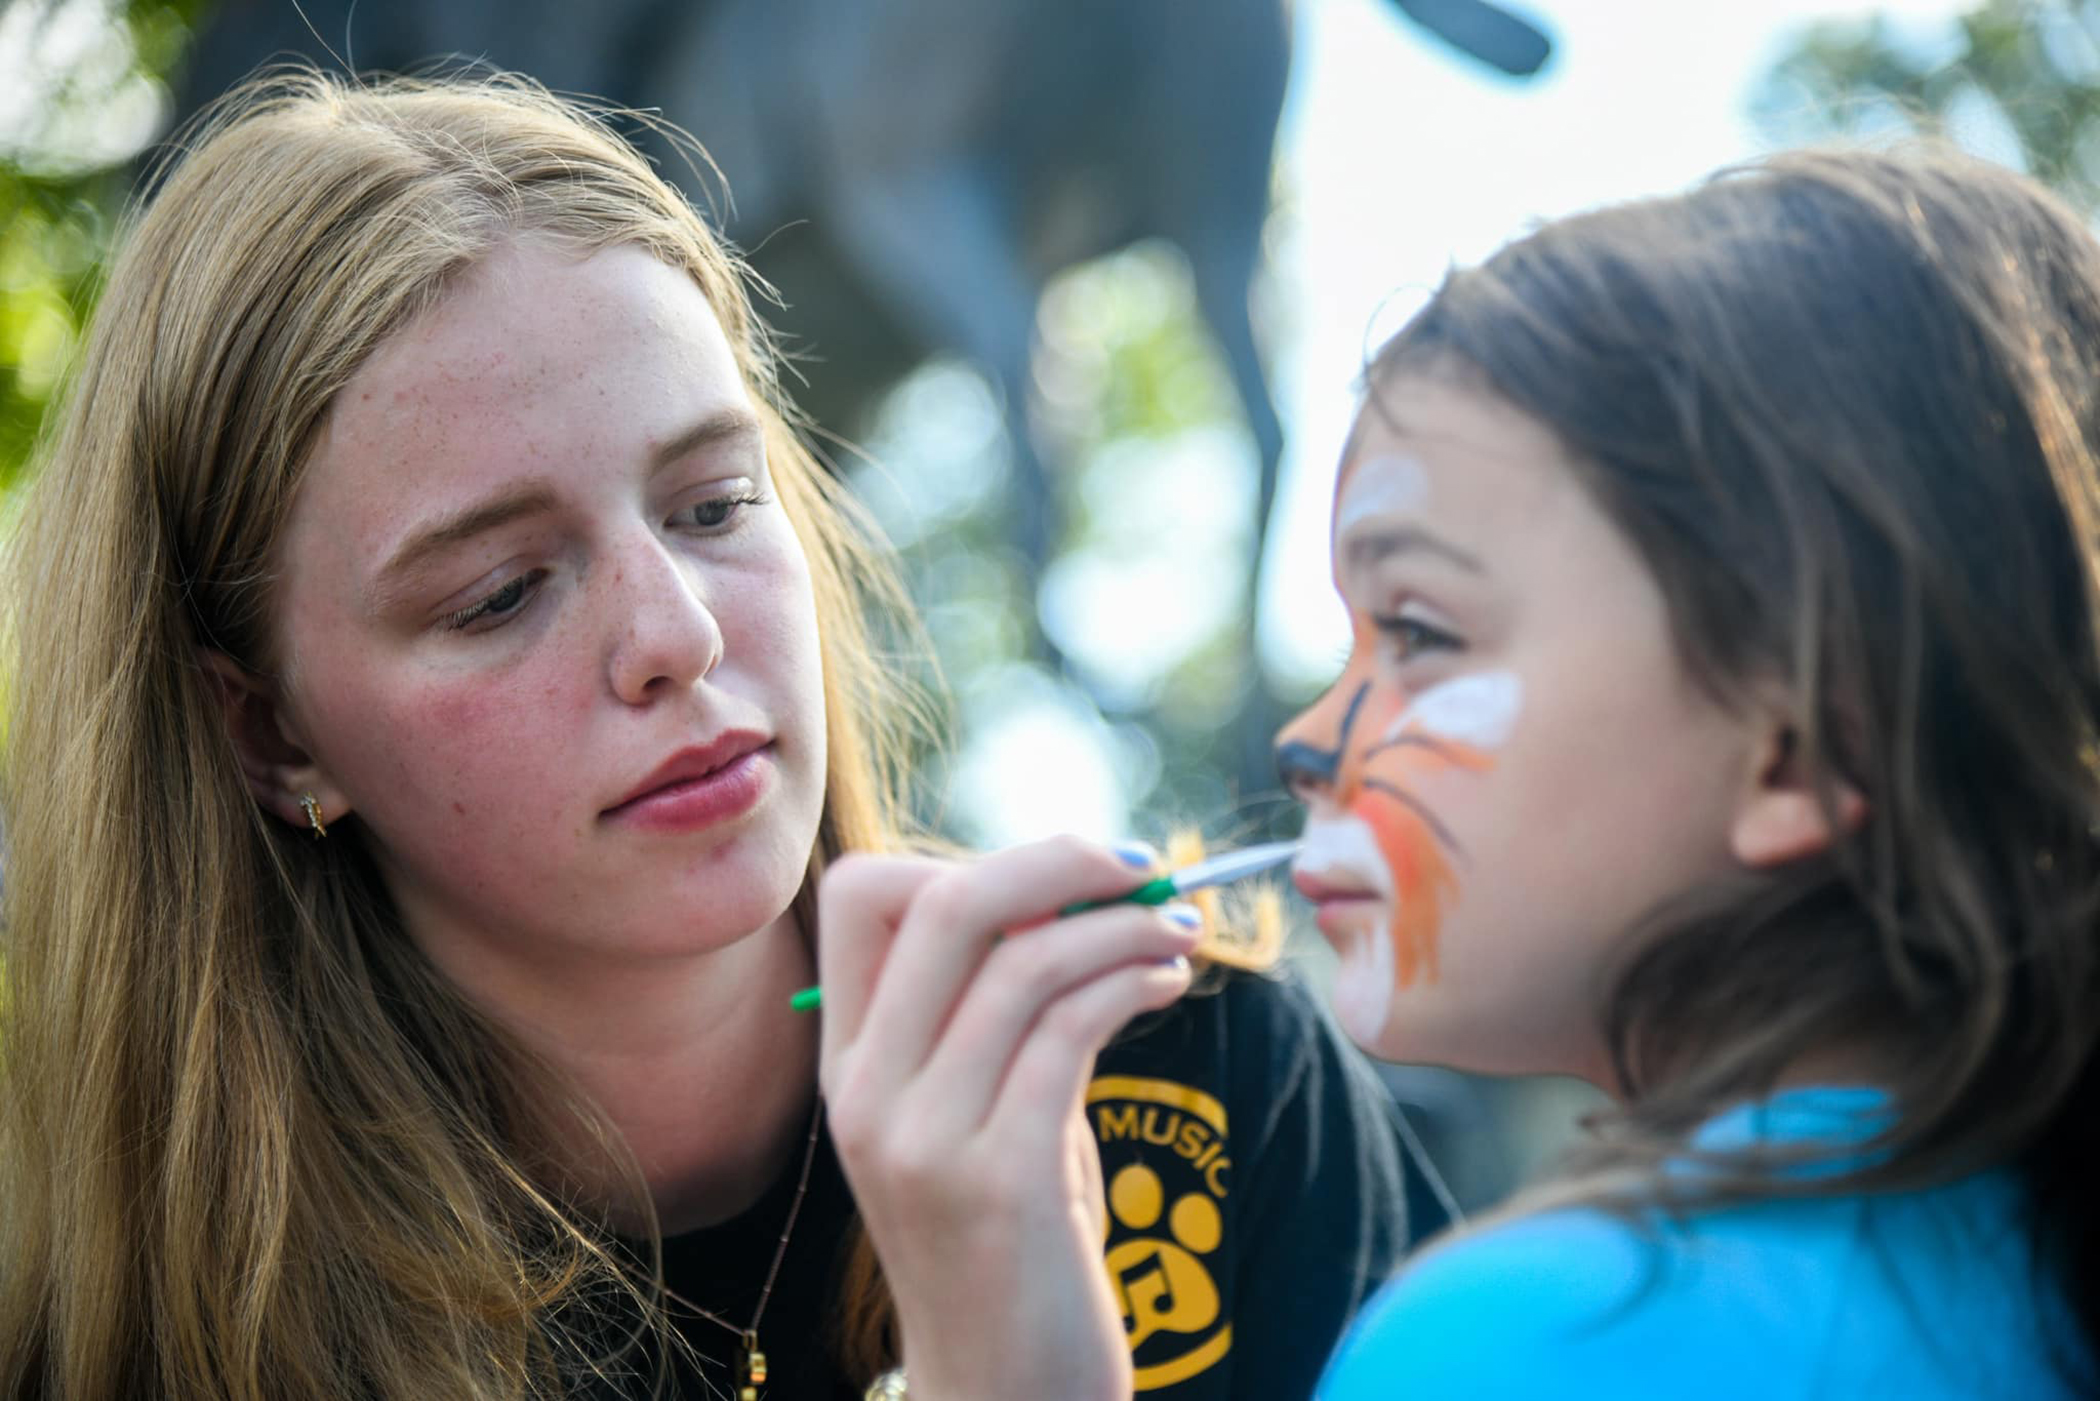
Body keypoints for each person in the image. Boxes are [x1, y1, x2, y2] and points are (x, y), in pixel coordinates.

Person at [0, 71, 1412, 1399]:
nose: (676, 630)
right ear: (270, 736)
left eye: (713, 505)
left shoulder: (1191, 1078)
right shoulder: (132, 1327)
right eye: (497, 593)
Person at [815, 144, 2100, 1398]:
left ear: (1803, 747)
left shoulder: (1532, 1341)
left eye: (1420, 631)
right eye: (1347, 642)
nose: (1307, 739)